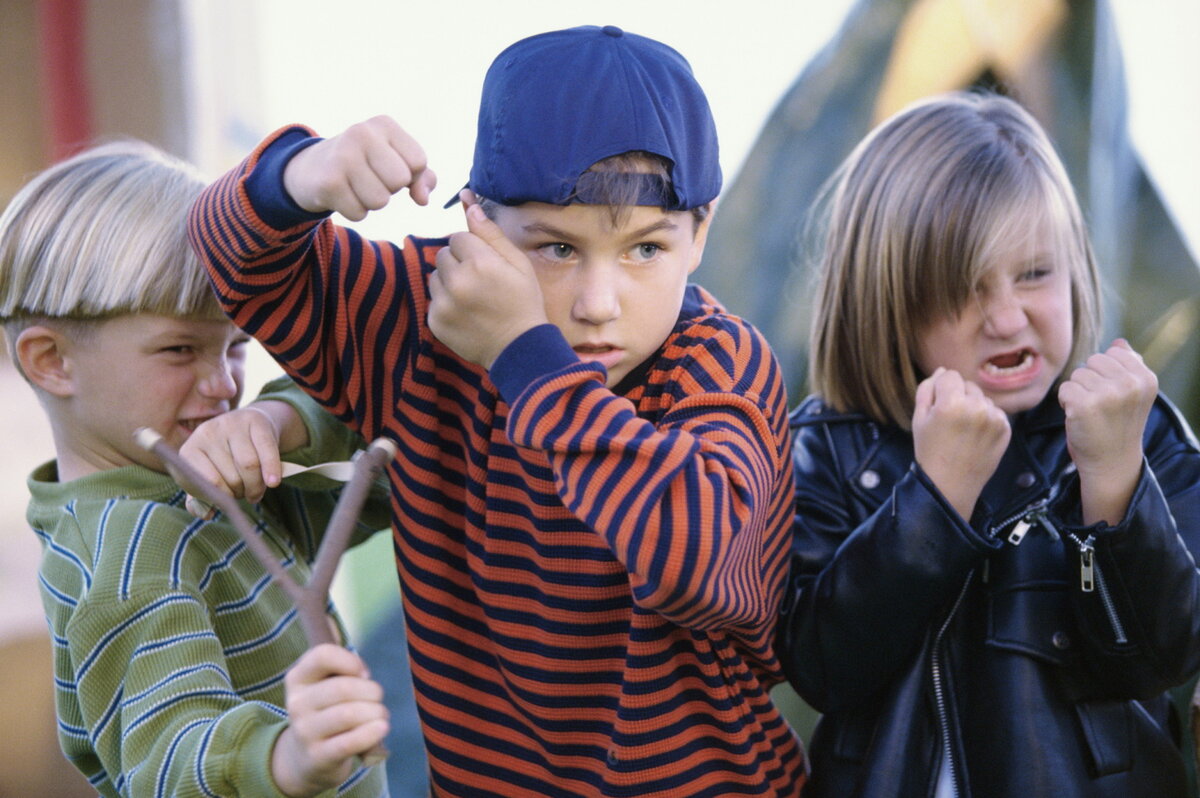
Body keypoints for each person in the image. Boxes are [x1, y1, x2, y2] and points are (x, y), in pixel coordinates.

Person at [187, 24, 806, 797]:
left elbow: (703, 568)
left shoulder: (719, 362)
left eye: (647, 249)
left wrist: (525, 357)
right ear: (477, 220)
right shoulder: (428, 315)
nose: (598, 305)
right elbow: (233, 258)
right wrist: (303, 173)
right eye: (554, 248)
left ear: (700, 231)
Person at [777, 90, 1200, 797]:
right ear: (887, 301)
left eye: (1035, 273)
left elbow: (1163, 656)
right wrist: (934, 501)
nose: (1007, 318)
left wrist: (1115, 483)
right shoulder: (828, 449)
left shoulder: (1139, 429)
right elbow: (821, 669)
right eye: (964, 286)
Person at [0, 140, 393, 798]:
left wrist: (281, 421)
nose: (223, 384)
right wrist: (286, 758)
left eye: (237, 346)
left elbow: (387, 466)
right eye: (180, 348)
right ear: (52, 361)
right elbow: (168, 750)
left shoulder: (199, 485)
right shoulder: (125, 551)